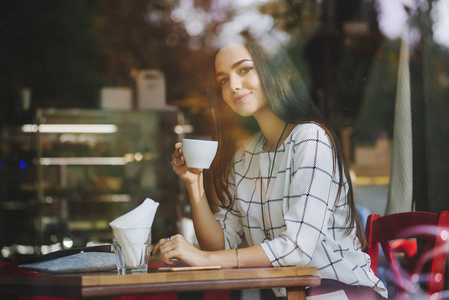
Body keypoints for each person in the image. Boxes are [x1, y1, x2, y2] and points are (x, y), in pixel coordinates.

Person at [152, 38, 387, 299]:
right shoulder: (245, 155)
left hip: (340, 293)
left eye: (244, 69)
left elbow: (296, 249)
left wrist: (204, 258)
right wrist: (193, 182)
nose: (233, 85)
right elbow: (221, 244)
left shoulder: (311, 138)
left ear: (270, 71)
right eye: (223, 80)